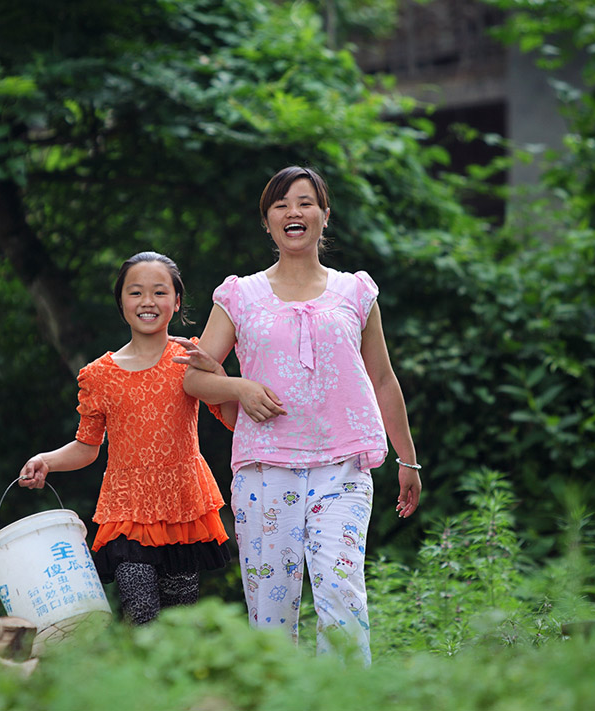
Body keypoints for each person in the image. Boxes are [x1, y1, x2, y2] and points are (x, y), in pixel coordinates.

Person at [181, 165, 422, 663]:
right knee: (270, 618)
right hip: (265, 469)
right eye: (281, 204)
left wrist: (408, 459)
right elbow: (194, 378)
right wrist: (240, 387)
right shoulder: (239, 296)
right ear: (267, 222)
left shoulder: (356, 292)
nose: (294, 211)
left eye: (306, 202)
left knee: (342, 599)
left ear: (324, 216)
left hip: (345, 469)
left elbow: (383, 379)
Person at [18, 251, 236, 625]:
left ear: (177, 301)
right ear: (121, 302)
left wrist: (219, 371)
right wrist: (46, 460)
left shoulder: (191, 356)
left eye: (159, 292)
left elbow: (232, 419)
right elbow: (87, 447)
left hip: (182, 506)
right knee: (142, 618)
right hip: (126, 510)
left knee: (176, 627)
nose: (148, 302)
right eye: (136, 293)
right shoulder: (98, 375)